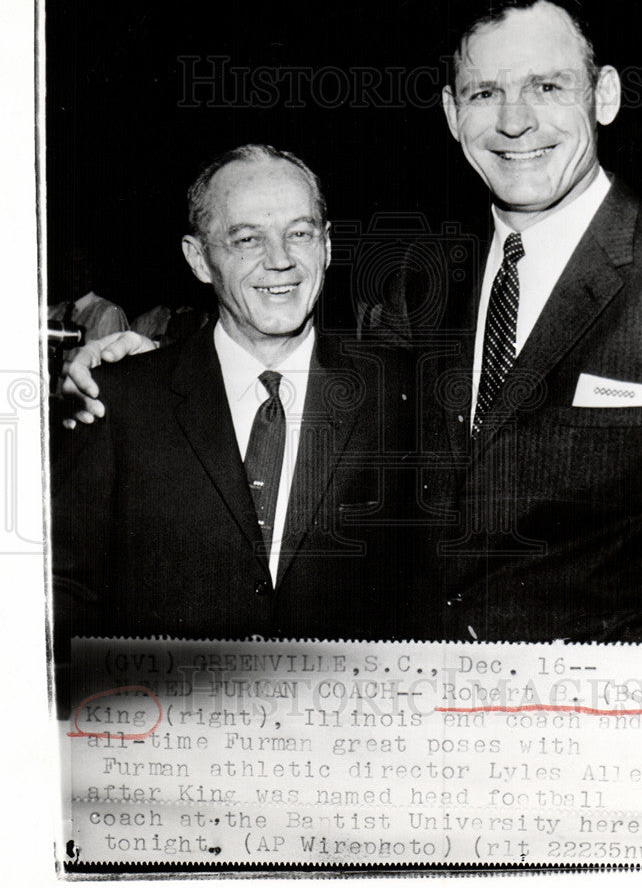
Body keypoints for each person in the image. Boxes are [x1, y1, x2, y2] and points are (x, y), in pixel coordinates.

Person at [61, 0, 642, 719]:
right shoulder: (421, 283)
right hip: (425, 737)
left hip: (615, 745)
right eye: (485, 92)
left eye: (547, 87)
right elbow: (299, 372)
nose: (515, 121)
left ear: (605, 96)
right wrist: (151, 365)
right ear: (454, 116)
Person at [52, 145, 413, 689]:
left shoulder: (402, 397)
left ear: (329, 243)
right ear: (198, 259)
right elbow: (62, 587)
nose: (280, 260)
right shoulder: (121, 401)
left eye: (300, 232)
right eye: (247, 239)